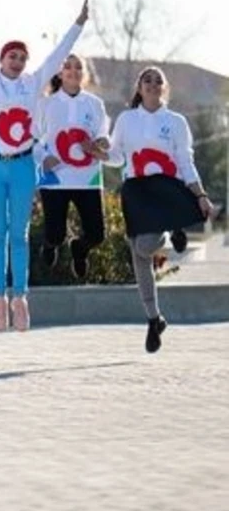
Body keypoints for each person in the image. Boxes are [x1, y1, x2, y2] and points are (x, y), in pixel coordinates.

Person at [0, 0, 89, 332]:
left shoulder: (33, 83)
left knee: (20, 234)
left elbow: (57, 56)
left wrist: (79, 24)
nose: (18, 61)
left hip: (23, 165)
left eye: (22, 57)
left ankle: (20, 297)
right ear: (1, 60)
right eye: (12, 56)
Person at [103, 67, 216, 353]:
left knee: (148, 244)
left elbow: (185, 161)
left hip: (166, 189)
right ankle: (154, 319)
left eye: (158, 81)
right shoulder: (126, 119)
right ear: (139, 88)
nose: (152, 84)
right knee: (139, 254)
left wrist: (200, 194)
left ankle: (167, 232)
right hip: (136, 191)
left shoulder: (176, 122)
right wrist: (100, 153)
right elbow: (117, 157)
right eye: (147, 80)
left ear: (164, 89)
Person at [35, 54, 109, 281]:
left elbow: (104, 135)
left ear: (84, 74)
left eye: (79, 67)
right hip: (55, 179)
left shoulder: (95, 104)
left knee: (96, 235)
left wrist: (101, 143)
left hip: (87, 178)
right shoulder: (46, 104)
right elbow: (32, 138)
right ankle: (49, 245)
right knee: (55, 234)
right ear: (60, 73)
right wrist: (43, 158)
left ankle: (80, 248)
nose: (73, 71)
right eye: (68, 67)